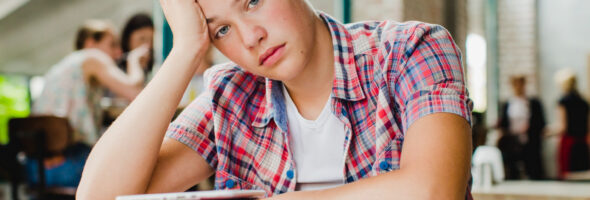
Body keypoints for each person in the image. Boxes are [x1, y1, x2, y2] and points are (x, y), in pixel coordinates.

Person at [77, 0, 473, 199]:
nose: (250, 38)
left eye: (252, 0)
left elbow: (434, 190)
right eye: (221, 31)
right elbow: (100, 197)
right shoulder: (233, 95)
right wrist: (185, 50)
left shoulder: (410, 50)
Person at [29, 20, 148, 187]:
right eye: (112, 44)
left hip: (37, 169)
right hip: (70, 165)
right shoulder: (92, 57)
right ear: (90, 43)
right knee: (144, 167)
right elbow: (135, 91)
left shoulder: (65, 66)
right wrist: (134, 61)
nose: (119, 53)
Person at [497, 76, 546, 180]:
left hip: (530, 140)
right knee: (512, 169)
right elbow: (504, 123)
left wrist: (528, 127)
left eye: (521, 84)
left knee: (533, 168)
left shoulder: (533, 103)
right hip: (512, 141)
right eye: (516, 85)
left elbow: (540, 122)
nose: (519, 87)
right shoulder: (508, 104)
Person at [555, 69, 590, 179]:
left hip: (569, 142)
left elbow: (563, 127)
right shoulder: (584, 101)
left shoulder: (564, 101)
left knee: (568, 175)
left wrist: (548, 132)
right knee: (581, 175)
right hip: (582, 142)